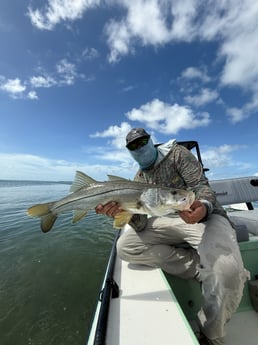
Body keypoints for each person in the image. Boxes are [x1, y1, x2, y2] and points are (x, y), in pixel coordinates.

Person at [95, 128, 248, 345]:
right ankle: (200, 268)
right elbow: (139, 224)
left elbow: (202, 187)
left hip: (203, 216)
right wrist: (124, 213)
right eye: (133, 146)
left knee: (229, 274)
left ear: (151, 141)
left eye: (143, 142)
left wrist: (203, 208)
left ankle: (211, 332)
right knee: (126, 247)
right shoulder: (138, 178)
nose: (139, 148)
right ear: (129, 151)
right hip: (166, 221)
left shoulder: (177, 154)